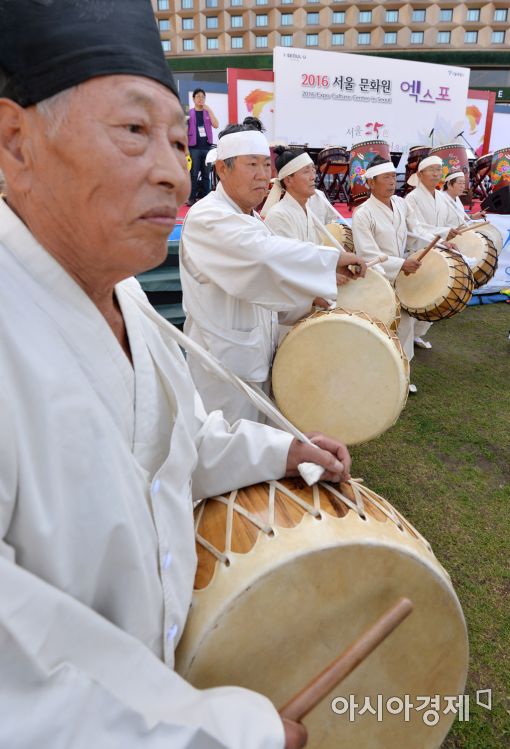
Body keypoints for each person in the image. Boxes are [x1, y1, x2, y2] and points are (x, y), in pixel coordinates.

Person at [0, 2, 355, 747]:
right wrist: (224, 734)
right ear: (14, 140)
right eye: (134, 132)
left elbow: (175, 437)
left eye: (174, 138)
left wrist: (281, 451)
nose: (170, 171)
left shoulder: (124, 292)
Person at [180, 124, 366, 423]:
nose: (261, 174)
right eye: (251, 164)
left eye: (266, 164)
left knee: (260, 450)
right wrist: (330, 262)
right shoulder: (207, 216)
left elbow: (261, 288)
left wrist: (306, 302)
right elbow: (262, 259)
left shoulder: (251, 219)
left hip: (257, 357)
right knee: (227, 452)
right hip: (223, 367)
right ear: (222, 170)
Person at [352, 157, 440, 390]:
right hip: (379, 279)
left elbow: (417, 231)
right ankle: (374, 374)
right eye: (386, 178)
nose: (392, 182)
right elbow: (368, 254)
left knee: (406, 325)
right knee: (380, 327)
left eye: (394, 177)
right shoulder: (363, 214)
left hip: (403, 275)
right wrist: (401, 264)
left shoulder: (401, 204)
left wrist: (440, 240)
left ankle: (402, 375)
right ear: (371, 182)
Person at [404, 155, 462, 350]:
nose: (437, 173)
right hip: (419, 252)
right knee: (417, 296)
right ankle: (407, 335)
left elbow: (445, 223)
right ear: (420, 174)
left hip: (438, 250)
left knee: (433, 294)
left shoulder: (441, 198)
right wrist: (444, 233)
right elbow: (416, 228)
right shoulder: (411, 198)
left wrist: (448, 234)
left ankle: (418, 334)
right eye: (432, 170)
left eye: (439, 169)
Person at [262, 146, 348, 246]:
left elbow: (332, 225)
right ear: (288, 180)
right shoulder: (278, 215)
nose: (313, 177)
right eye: (306, 171)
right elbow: (290, 257)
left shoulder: (319, 198)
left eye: (313, 170)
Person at [187, 88, 218, 205]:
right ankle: (191, 197)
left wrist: (209, 110)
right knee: (193, 173)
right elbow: (184, 131)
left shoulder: (207, 113)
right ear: (193, 99)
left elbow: (216, 125)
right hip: (193, 147)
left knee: (206, 173)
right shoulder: (189, 113)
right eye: (198, 96)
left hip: (207, 148)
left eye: (203, 97)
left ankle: (206, 197)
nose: (201, 99)